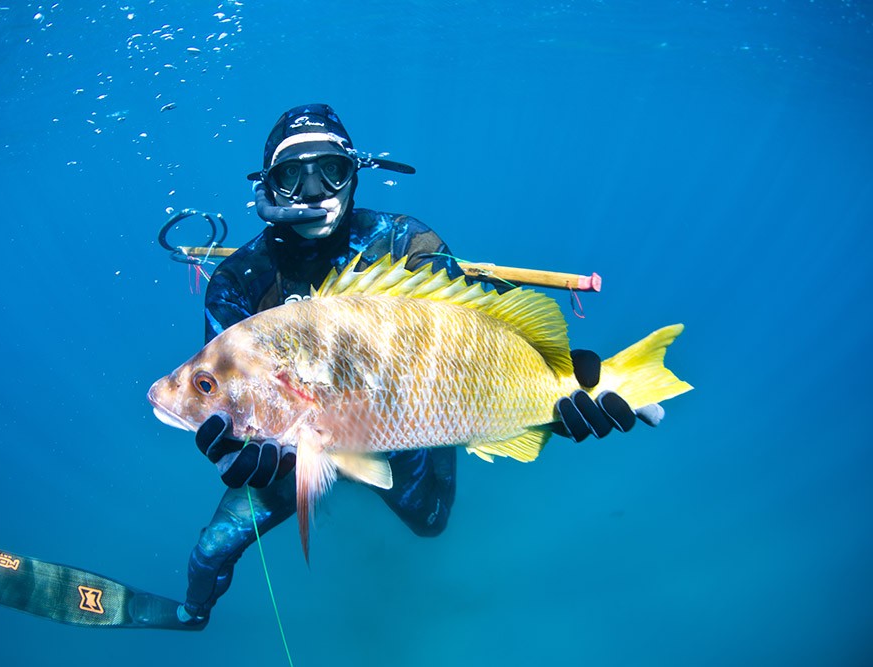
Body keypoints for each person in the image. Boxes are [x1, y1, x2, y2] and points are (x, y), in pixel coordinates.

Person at [175, 104, 658, 627]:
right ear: (269, 188)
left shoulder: (405, 243)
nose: (314, 191)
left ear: (355, 172)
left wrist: (563, 379)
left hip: (412, 425)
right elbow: (222, 388)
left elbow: (471, 323)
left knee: (430, 523)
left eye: (331, 170)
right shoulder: (239, 279)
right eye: (292, 176)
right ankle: (191, 612)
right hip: (288, 452)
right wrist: (235, 448)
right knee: (211, 550)